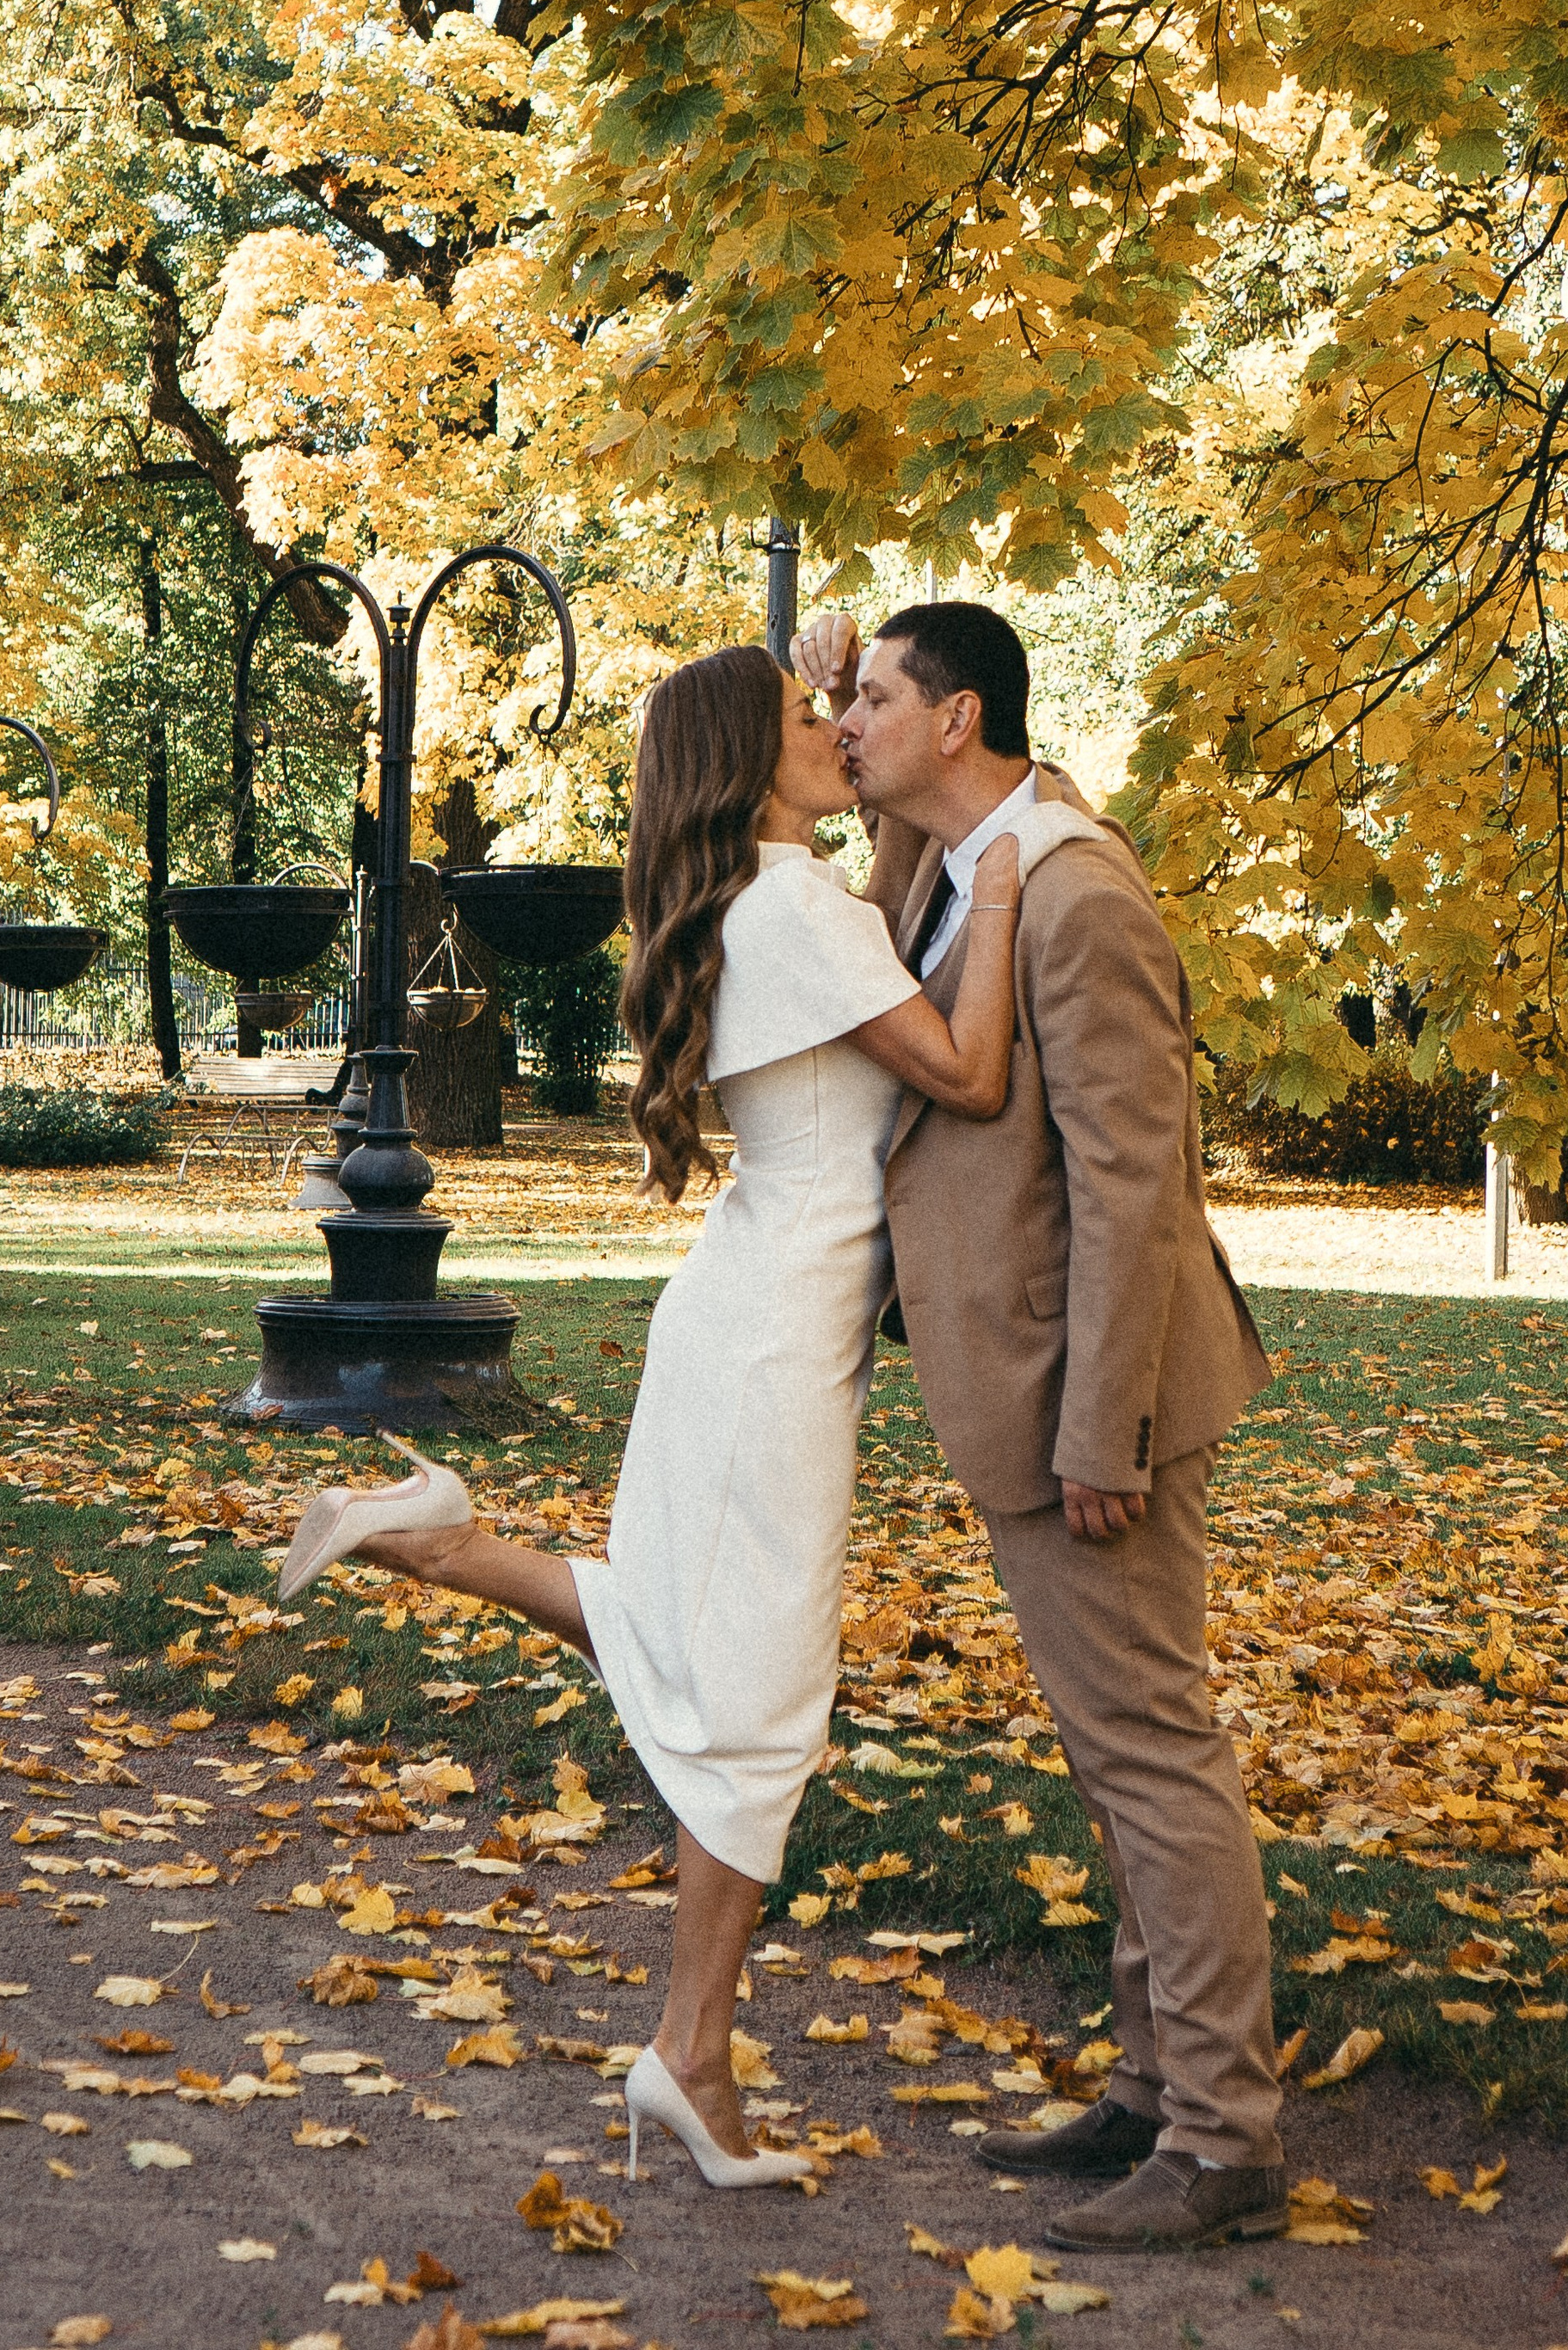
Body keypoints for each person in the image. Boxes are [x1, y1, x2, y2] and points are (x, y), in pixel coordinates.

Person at [275, 643, 1024, 2192]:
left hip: (746, 1318)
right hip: (768, 1348)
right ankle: (688, 2055)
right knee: (755, 1703)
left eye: (846, 710)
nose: (842, 733)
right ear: (749, 765)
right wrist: (1003, 883)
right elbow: (962, 1069)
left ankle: (434, 1532)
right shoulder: (799, 908)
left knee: (699, 1647)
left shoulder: (772, 901)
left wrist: (824, 701)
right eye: (813, 719)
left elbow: (874, 915)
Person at [794, 599, 1288, 2253]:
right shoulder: (949, 860)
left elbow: (1138, 1181)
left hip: (1099, 1402)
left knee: (1153, 1752)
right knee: (1112, 1753)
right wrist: (816, 678)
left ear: (961, 718)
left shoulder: (1070, 887)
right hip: (1026, 1382)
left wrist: (1105, 1430)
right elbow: (828, 825)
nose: (845, 720)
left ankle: (1222, 2143)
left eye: (871, 698)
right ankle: (1155, 2089)